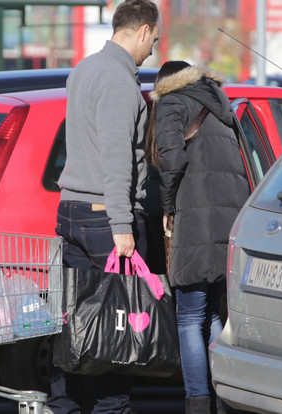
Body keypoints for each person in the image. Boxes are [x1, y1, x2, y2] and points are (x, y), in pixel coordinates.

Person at [51, 0, 161, 413]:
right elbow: (117, 161)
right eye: (154, 40)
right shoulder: (118, 82)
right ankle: (110, 408)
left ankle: (65, 406)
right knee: (119, 330)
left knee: (76, 323)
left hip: (72, 211)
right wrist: (123, 225)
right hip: (105, 219)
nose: (152, 50)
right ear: (143, 31)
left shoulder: (83, 69)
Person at [144, 61, 250, 414]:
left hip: (195, 219)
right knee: (212, 312)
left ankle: (197, 403)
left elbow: (171, 160)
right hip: (228, 219)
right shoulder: (220, 100)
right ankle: (223, 398)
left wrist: (169, 207)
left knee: (189, 314)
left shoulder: (172, 102)